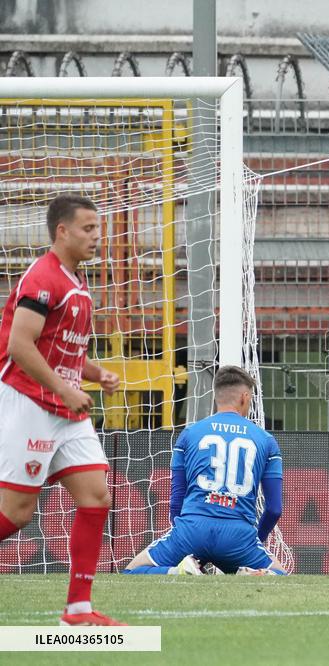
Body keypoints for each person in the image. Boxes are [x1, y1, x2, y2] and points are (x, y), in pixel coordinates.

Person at [0, 194, 124, 626]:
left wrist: (95, 374)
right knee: (16, 513)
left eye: (98, 228)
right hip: (30, 402)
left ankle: (78, 609)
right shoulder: (43, 278)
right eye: (88, 228)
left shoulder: (77, 280)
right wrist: (66, 390)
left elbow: (62, 352)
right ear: (62, 231)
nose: (97, 236)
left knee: (96, 498)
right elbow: (20, 346)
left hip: (64, 405)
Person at [124, 366, 285, 576]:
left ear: (216, 395)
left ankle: (179, 572)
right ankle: (249, 574)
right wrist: (255, 540)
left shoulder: (189, 434)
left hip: (192, 531)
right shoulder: (266, 440)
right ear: (245, 397)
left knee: (132, 570)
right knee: (279, 576)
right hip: (238, 538)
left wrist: (185, 536)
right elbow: (274, 509)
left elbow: (176, 500)